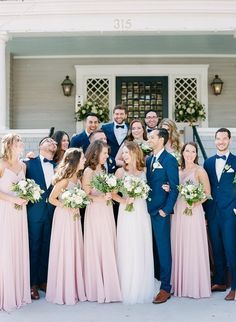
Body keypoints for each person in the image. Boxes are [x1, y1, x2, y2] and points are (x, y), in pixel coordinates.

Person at [114, 141, 155, 304]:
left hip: (142, 211)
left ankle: (142, 283)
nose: (123, 155)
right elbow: (113, 194)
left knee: (141, 243)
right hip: (126, 212)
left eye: (126, 152)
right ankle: (126, 284)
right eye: (122, 153)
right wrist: (124, 201)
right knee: (127, 244)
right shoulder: (119, 172)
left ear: (135, 153)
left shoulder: (144, 170)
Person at [82, 141, 121, 303]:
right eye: (104, 153)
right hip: (95, 211)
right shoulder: (89, 171)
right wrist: (100, 197)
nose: (107, 156)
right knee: (97, 244)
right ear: (96, 153)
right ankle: (96, 287)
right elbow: (85, 195)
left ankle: (109, 284)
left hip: (106, 211)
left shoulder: (104, 169)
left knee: (107, 244)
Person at [46, 148, 87, 305]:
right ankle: (63, 289)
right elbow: (52, 199)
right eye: (82, 159)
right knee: (65, 249)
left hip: (74, 216)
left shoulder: (78, 177)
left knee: (74, 248)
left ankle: (74, 287)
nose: (84, 161)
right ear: (75, 160)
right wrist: (67, 204)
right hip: (64, 216)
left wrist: (77, 203)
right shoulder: (64, 180)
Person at [171, 142, 211, 298]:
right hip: (178, 211)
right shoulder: (177, 170)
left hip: (193, 211)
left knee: (192, 245)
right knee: (179, 245)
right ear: (182, 152)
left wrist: (194, 202)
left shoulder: (200, 171)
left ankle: (194, 285)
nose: (189, 154)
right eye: (187, 151)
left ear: (196, 154)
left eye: (193, 151)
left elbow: (207, 193)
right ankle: (180, 284)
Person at [146, 128, 179, 304]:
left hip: (160, 213)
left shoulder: (170, 160)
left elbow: (174, 187)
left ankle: (166, 288)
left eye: (152, 137)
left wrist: (165, 210)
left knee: (164, 250)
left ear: (161, 140)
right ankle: (155, 281)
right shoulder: (149, 159)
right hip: (146, 212)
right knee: (151, 249)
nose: (148, 139)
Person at [204, 128, 236, 301]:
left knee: (231, 248)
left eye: (224, 138)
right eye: (218, 138)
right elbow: (207, 187)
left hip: (231, 212)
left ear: (229, 140)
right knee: (216, 247)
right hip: (213, 211)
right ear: (215, 140)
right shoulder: (208, 163)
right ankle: (220, 281)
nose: (221, 141)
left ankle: (235, 287)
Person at [0, 134, 31, 312]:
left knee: (17, 247)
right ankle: (5, 292)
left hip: (20, 212)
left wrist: (26, 197)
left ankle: (18, 290)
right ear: (10, 145)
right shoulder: (1, 163)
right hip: (4, 211)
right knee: (5, 248)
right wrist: (12, 200)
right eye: (18, 141)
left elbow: (23, 187)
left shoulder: (23, 165)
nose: (21, 143)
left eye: (21, 141)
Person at [24, 137, 57, 300]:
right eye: (48, 141)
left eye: (54, 142)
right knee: (33, 246)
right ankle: (32, 284)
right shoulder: (28, 163)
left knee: (47, 246)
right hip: (34, 212)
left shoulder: (58, 167)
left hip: (52, 212)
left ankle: (44, 280)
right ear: (40, 146)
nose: (52, 143)